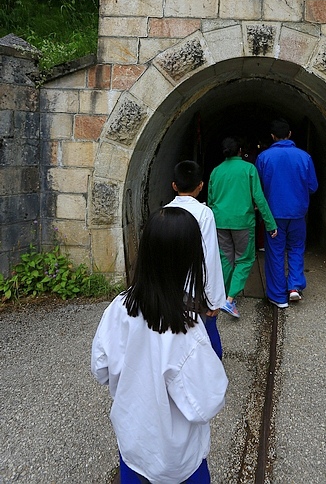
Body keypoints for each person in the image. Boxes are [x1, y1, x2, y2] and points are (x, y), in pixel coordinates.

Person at [91, 207, 228, 484]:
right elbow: (207, 402)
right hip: (176, 462)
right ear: (191, 260)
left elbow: (100, 369)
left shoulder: (119, 306)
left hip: (132, 446)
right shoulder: (186, 329)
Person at [208, 137, 278, 319]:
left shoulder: (216, 172)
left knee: (226, 258)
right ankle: (229, 300)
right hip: (243, 222)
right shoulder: (248, 169)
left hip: (220, 222)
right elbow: (259, 198)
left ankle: (219, 296)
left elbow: (211, 200)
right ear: (240, 150)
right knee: (245, 259)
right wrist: (270, 224)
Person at [165, 160, 226, 359]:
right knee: (207, 331)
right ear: (201, 186)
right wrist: (214, 299)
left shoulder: (163, 213)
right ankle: (212, 372)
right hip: (196, 290)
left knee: (174, 333)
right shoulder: (204, 214)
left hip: (170, 288)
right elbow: (210, 258)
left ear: (174, 185)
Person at [256, 118, 318, 308]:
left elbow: (258, 188)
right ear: (290, 134)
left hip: (273, 214)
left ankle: (277, 295)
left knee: (275, 252)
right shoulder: (304, 157)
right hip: (298, 213)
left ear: (272, 136)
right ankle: (294, 287)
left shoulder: (264, 157)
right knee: (296, 248)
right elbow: (313, 186)